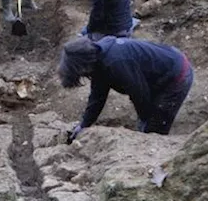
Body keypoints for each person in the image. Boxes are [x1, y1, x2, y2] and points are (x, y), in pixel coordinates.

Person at [59, 35, 194, 141]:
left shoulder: (116, 62)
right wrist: (83, 125)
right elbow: (97, 97)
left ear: (82, 66)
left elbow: (140, 94)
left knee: (153, 130)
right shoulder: (98, 60)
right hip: (161, 74)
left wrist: (147, 125)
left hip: (177, 74)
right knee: (146, 126)